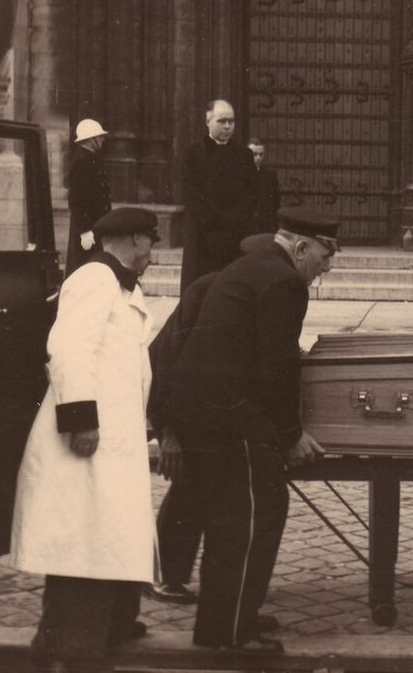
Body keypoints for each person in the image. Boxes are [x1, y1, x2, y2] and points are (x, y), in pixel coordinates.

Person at [166, 207, 333, 652]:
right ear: (301, 247)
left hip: (205, 410)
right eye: (325, 256)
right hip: (227, 416)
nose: (327, 267)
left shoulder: (251, 266)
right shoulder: (285, 281)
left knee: (238, 517)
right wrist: (291, 435)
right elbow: (276, 367)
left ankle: (235, 616)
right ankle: (227, 635)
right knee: (250, 517)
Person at [10, 207, 161, 669]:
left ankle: (105, 630)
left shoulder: (119, 285)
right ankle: (74, 651)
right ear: (135, 240)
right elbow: (69, 349)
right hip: (88, 437)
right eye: (151, 242)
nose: (152, 253)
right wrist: (81, 420)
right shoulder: (95, 278)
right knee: (86, 546)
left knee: (104, 539)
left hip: (112, 439)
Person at [145, 233, 278, 610]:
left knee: (207, 491)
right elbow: (166, 360)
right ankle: (165, 576)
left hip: (219, 414)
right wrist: (168, 433)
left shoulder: (257, 293)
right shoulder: (207, 290)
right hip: (184, 412)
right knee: (189, 487)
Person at [180, 99, 257, 290]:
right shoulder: (192, 154)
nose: (227, 126)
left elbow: (251, 193)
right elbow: (189, 191)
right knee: (200, 289)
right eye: (222, 121)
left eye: (231, 121)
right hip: (203, 232)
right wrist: (214, 218)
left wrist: (233, 219)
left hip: (234, 234)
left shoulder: (244, 155)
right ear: (208, 121)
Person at [65, 118, 112, 276]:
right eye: (100, 137)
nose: (103, 140)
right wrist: (84, 230)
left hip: (96, 225)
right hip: (87, 228)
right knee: (83, 271)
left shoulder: (90, 159)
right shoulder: (82, 161)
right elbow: (76, 200)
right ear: (92, 139)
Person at [247, 138, 281, 235]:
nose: (258, 158)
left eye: (261, 154)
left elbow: (275, 204)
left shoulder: (270, 175)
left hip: (265, 227)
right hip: (245, 227)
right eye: (254, 154)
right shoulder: (238, 174)